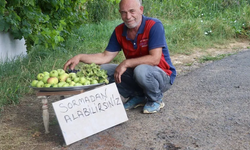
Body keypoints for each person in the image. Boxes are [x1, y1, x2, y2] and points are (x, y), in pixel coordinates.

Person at [63, 0, 176, 114]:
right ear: (120, 13)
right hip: (138, 74)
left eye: (132, 11)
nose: (128, 16)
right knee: (103, 70)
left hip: (162, 76)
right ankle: (138, 96)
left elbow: (154, 59)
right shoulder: (119, 30)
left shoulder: (153, 25)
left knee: (140, 70)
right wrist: (80, 57)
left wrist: (126, 63)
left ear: (141, 10)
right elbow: (105, 56)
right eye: (123, 12)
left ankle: (155, 99)